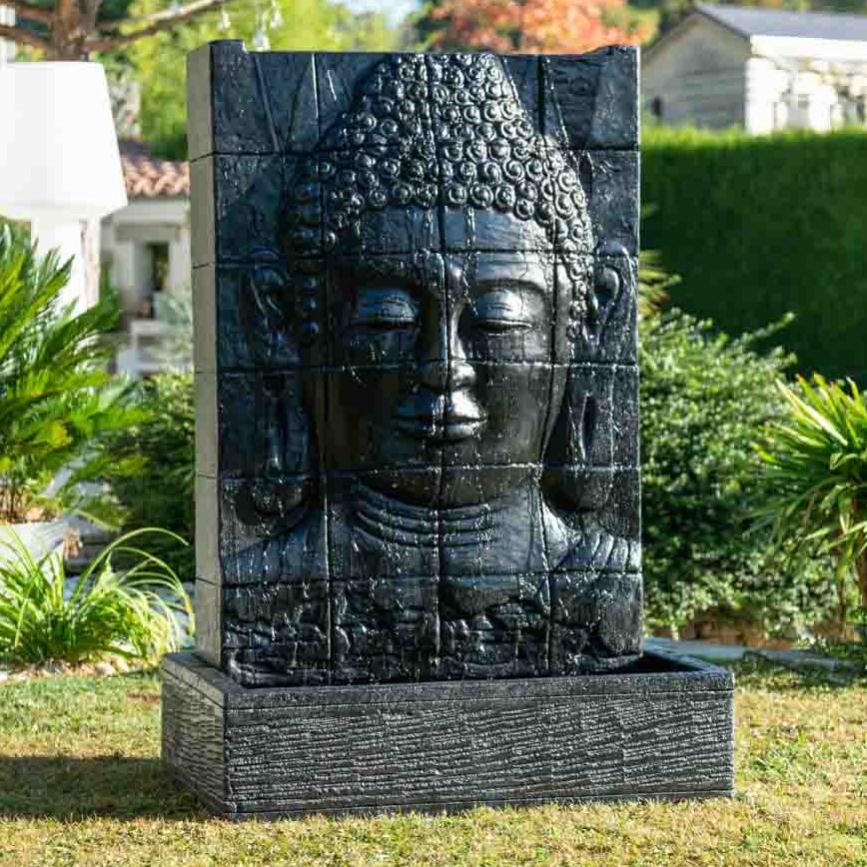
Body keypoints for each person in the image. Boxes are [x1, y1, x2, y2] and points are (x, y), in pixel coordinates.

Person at [223, 52, 640, 687]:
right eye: (387, 319)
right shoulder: (258, 600)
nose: (444, 367)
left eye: (497, 319)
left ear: (588, 322)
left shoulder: (604, 589)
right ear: (285, 322)